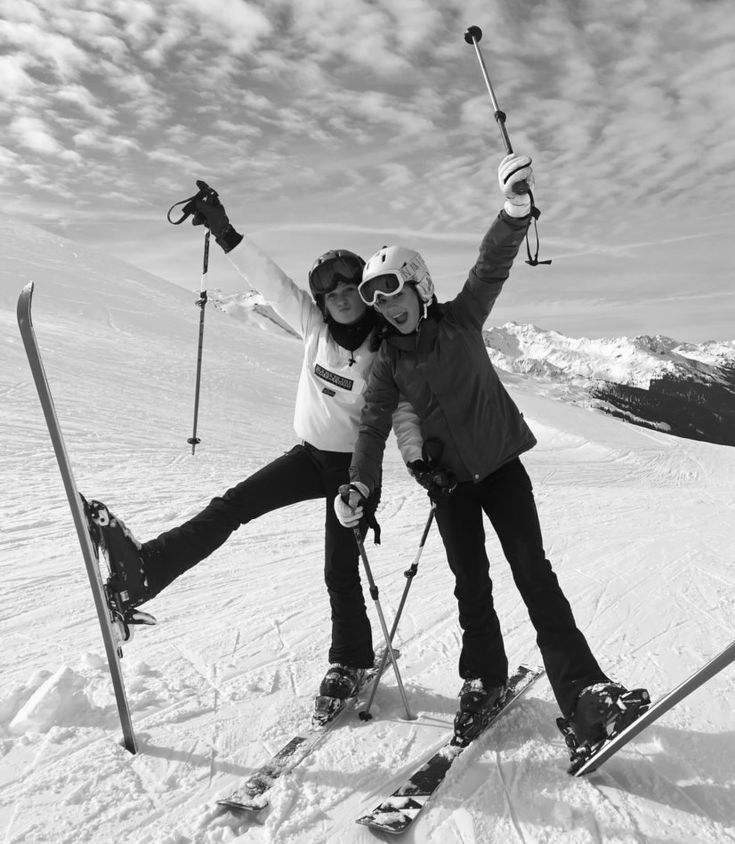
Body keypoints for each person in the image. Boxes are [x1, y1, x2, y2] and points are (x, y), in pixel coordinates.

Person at [333, 153, 646, 746]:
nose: (386, 304)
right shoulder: (388, 367)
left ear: (419, 284)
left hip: (502, 471)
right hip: (449, 486)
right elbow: (372, 431)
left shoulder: (459, 321)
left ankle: (584, 695)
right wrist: (359, 486)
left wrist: (514, 211)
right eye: (376, 298)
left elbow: (490, 267)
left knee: (535, 576)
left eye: (393, 288)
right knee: (470, 583)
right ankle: (483, 678)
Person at [91, 187, 423, 711]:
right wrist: (223, 229)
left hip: (355, 471)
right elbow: (269, 280)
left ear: (365, 291)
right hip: (310, 455)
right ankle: (145, 572)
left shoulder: (388, 350)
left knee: (338, 567)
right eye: (326, 288)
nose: (337, 294)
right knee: (231, 507)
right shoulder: (314, 327)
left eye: (347, 284)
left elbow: (408, 414)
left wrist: (423, 459)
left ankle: (352, 660)